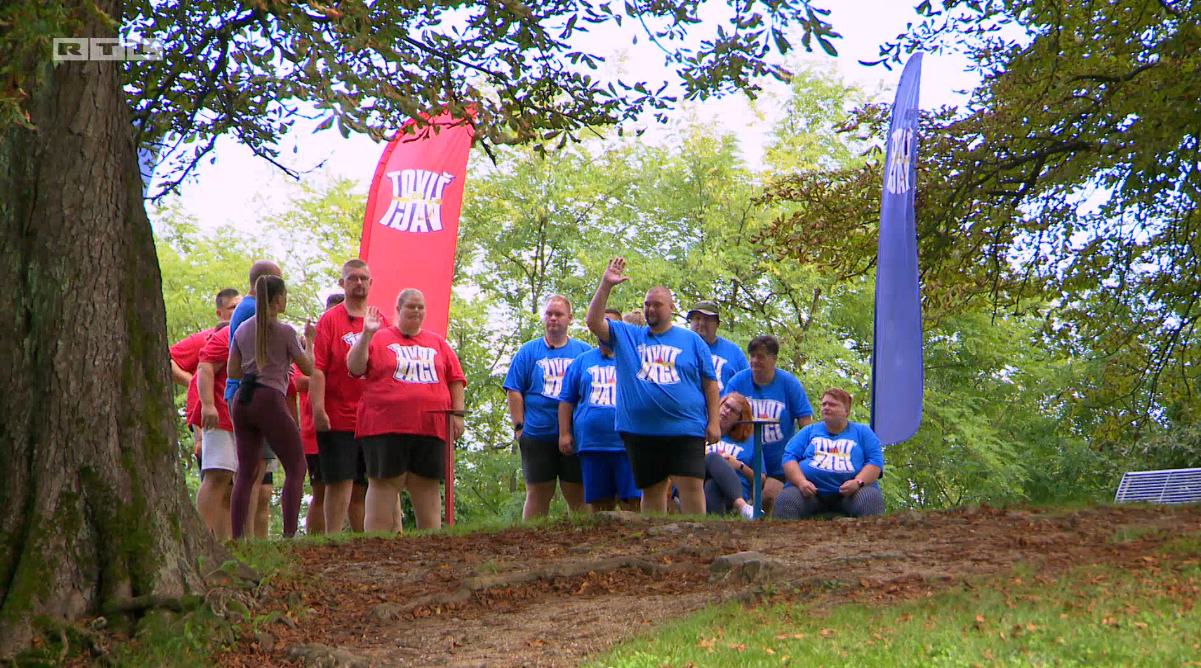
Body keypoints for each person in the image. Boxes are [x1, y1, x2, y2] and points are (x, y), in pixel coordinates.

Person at [585, 257, 720, 514]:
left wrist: (713, 422)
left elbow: (710, 384)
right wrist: (606, 285)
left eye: (657, 305)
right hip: (641, 430)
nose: (651, 310)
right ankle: (655, 545)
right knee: (652, 488)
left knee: (691, 484)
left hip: (685, 427)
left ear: (671, 308)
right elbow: (593, 322)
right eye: (647, 305)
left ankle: (698, 540)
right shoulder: (627, 334)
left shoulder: (691, 340)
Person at [348, 289, 466, 531]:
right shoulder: (378, 338)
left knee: (427, 487)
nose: (416, 311)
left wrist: (457, 415)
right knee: (383, 484)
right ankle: (377, 547)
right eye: (411, 306)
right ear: (398, 309)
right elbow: (354, 366)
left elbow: (455, 379)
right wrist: (366, 335)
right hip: (384, 426)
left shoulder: (438, 343)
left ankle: (430, 549)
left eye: (421, 307)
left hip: (430, 428)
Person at [227, 275, 315, 538]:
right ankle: (289, 536)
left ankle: (238, 537)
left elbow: (233, 371)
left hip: (243, 399)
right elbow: (309, 369)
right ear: (278, 299)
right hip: (270, 399)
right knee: (296, 467)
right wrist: (307, 343)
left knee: (246, 471)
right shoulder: (285, 331)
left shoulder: (243, 329)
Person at [504, 295, 592, 519]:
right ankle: (531, 543)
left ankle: (582, 540)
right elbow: (514, 389)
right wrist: (519, 426)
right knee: (537, 493)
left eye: (559, 314)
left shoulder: (583, 351)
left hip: (573, 434)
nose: (553, 319)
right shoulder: (528, 351)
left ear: (570, 318)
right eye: (549, 314)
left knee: (578, 493)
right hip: (537, 433)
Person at [312, 260, 379, 533]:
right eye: (352, 278)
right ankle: (333, 537)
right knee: (339, 481)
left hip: (371, 417)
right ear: (342, 283)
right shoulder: (329, 320)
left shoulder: (379, 319)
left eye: (364, 278)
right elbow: (317, 369)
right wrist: (318, 408)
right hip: (337, 413)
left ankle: (362, 540)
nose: (359, 284)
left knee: (364, 484)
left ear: (371, 283)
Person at [558, 309, 640, 512]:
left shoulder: (633, 358)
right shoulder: (582, 361)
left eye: (610, 325)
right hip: (592, 444)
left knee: (632, 502)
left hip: (627, 444)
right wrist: (564, 433)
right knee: (600, 505)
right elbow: (566, 400)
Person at [224, 261, 285, 535]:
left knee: (255, 471)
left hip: (246, 392)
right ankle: (244, 536)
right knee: (253, 470)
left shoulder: (245, 309)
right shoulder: (254, 310)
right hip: (252, 393)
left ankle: (246, 535)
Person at [724, 335, 814, 512]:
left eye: (762, 356)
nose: (756, 361)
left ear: (774, 359)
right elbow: (723, 416)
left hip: (777, 464)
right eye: (753, 356)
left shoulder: (789, 384)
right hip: (746, 458)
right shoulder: (738, 382)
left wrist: (804, 455)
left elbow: (806, 422)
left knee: (768, 497)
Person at [774, 388, 886, 519]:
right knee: (786, 500)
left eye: (832, 405)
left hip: (852, 494)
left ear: (846, 411)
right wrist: (801, 482)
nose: (826, 408)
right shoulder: (809, 431)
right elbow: (789, 457)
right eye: (824, 404)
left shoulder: (863, 432)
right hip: (810, 493)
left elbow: (875, 462)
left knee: (871, 499)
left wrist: (857, 482)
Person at [171, 288, 241, 473]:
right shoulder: (206, 338)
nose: (238, 310)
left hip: (241, 419)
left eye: (241, 306)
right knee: (219, 479)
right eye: (232, 307)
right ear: (220, 313)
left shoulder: (250, 336)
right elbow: (166, 359)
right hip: (213, 420)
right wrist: (194, 381)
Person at [294, 293, 345, 535]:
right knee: (322, 488)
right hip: (315, 430)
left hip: (345, 424)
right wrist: (312, 343)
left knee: (353, 486)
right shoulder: (304, 349)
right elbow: (301, 381)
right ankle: (316, 540)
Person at [704, 392, 759, 519]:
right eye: (726, 406)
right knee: (713, 458)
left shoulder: (749, 442)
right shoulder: (703, 431)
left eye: (733, 411)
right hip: (700, 483)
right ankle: (742, 507)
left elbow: (760, 480)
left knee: (712, 485)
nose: (727, 411)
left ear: (740, 418)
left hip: (735, 490)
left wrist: (740, 466)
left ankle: (717, 529)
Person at [686, 299, 748, 392]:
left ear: (717, 324)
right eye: (697, 318)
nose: (701, 323)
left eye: (707, 319)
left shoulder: (734, 352)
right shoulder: (680, 347)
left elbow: (748, 383)